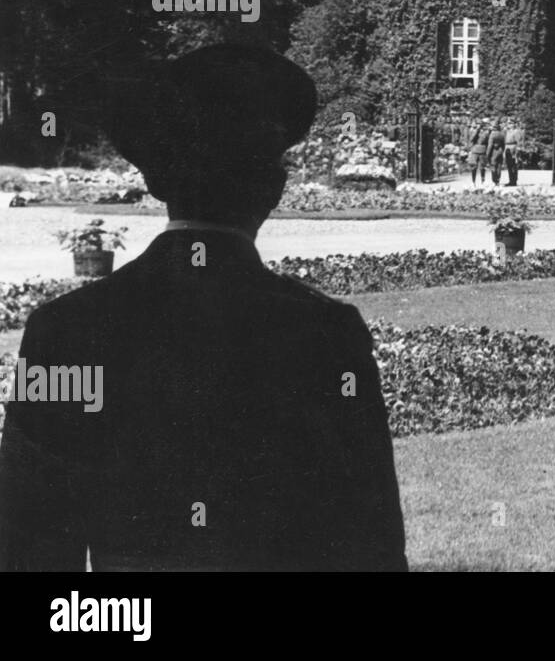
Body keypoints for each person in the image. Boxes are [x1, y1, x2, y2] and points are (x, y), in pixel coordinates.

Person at [0, 44, 407, 571]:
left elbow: (27, 543)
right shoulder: (325, 332)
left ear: (155, 180)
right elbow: (370, 543)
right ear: (273, 186)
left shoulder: (66, 329)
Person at [504, 120, 524, 186]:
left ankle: (514, 181)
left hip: (513, 148)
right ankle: (510, 180)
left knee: (514, 166)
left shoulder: (516, 132)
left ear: (514, 124)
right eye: (508, 123)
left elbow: (519, 142)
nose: (509, 125)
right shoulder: (507, 131)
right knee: (509, 166)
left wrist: (517, 151)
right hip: (507, 148)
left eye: (510, 123)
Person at [487, 121, 507, 186]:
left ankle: (494, 180)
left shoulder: (492, 135)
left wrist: (487, 154)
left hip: (494, 151)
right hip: (500, 151)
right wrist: (502, 150)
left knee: (493, 166)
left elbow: (490, 145)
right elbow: (504, 144)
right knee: (499, 166)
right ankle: (498, 180)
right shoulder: (502, 134)